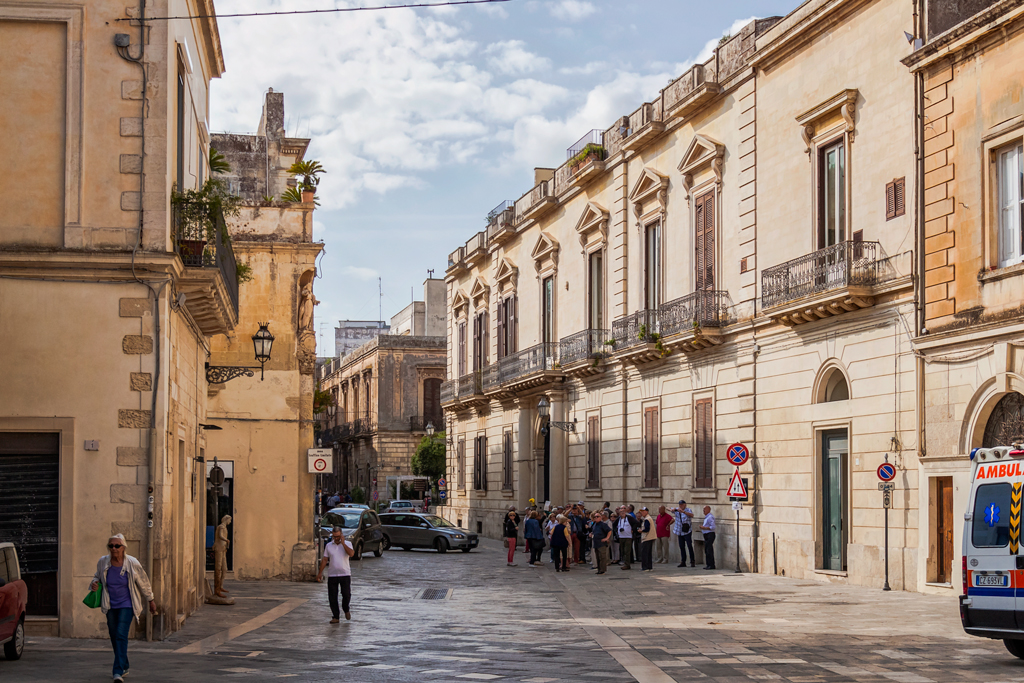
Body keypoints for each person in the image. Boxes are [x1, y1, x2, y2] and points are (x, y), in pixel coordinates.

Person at [90, 534, 157, 683]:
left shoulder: (132, 563)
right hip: (110, 605)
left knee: (121, 634)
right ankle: (125, 664)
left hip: (127, 605)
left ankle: (117, 671)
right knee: (114, 636)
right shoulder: (103, 562)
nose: (114, 549)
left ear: (123, 547)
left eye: (117, 546)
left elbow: (143, 582)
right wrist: (94, 583)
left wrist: (150, 600)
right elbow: (97, 577)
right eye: (111, 546)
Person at [316, 526, 355, 623]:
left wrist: (343, 543)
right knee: (332, 596)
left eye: (337, 536)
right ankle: (335, 616)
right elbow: (325, 559)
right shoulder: (329, 545)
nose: (336, 538)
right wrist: (320, 573)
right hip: (332, 575)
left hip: (345, 574)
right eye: (334, 536)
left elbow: (351, 554)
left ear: (341, 535)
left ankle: (346, 609)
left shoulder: (348, 544)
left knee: (346, 595)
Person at [672, 500, 696, 568]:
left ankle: (692, 560)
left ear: (685, 505)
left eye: (682, 505)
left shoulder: (688, 510)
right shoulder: (677, 510)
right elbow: (668, 509)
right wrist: (674, 509)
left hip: (687, 531)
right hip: (680, 531)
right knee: (681, 546)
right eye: (680, 505)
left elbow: (692, 515)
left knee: (689, 545)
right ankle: (683, 561)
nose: (681, 506)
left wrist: (684, 512)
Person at [616, 506, 637, 570]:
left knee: (627, 551)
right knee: (622, 551)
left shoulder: (629, 518)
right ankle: (624, 562)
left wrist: (633, 529)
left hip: (628, 537)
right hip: (621, 537)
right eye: (621, 512)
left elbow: (636, 523)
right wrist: (616, 531)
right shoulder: (619, 519)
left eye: (623, 512)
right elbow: (614, 525)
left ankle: (627, 564)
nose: (622, 513)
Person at [638, 507, 656, 571]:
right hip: (650, 537)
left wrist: (641, 531)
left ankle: (645, 567)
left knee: (644, 553)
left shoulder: (647, 519)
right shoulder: (649, 518)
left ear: (646, 512)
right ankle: (649, 567)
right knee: (648, 553)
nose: (641, 513)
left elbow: (647, 529)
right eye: (641, 512)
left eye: (643, 511)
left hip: (647, 538)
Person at [701, 505, 717, 570]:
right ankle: (708, 564)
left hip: (710, 534)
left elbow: (713, 527)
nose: (703, 511)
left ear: (708, 510)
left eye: (704, 509)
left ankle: (711, 565)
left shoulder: (710, 517)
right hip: (706, 534)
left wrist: (704, 527)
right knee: (706, 550)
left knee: (709, 550)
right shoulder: (706, 517)